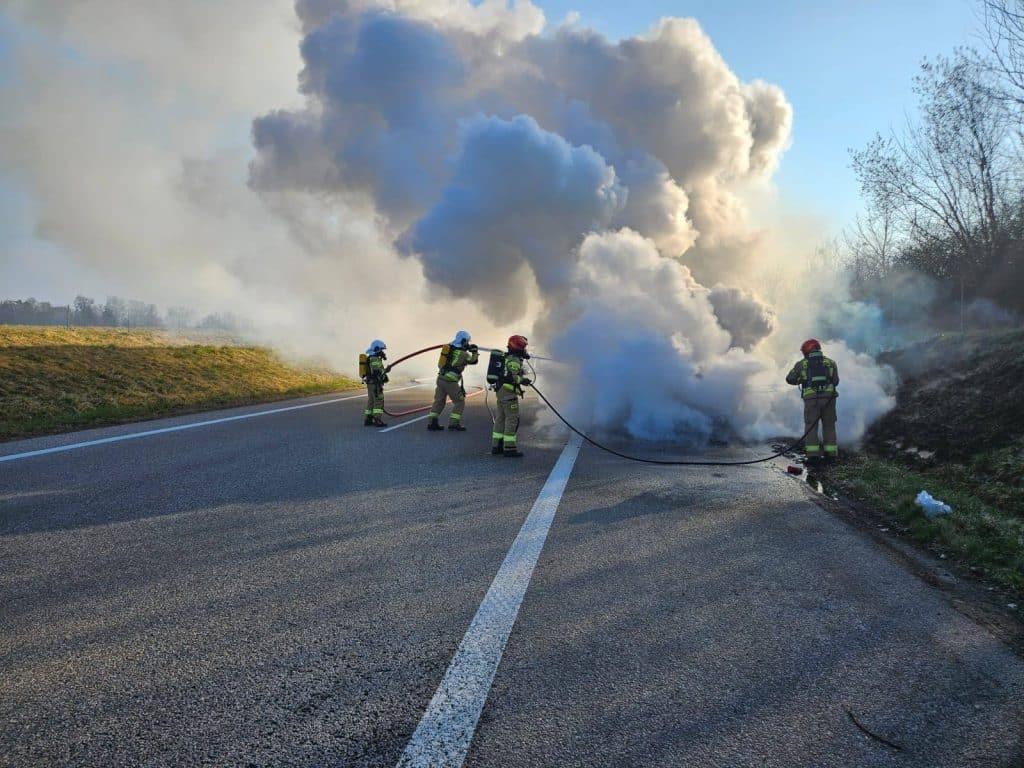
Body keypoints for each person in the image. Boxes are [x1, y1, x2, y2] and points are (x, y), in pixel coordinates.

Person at [785, 338, 839, 459]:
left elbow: (789, 379)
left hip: (811, 399)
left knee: (811, 427)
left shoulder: (802, 364)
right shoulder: (831, 362)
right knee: (829, 425)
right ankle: (831, 454)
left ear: (806, 351)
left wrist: (801, 380)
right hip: (829, 399)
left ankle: (813, 455)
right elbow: (836, 381)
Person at [427, 330, 480, 432]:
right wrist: (475, 351)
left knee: (439, 401)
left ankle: (432, 423)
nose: (468, 344)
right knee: (459, 402)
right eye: (467, 342)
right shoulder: (463, 354)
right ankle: (453, 424)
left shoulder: (449, 349)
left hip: (441, 379)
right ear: (464, 341)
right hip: (450, 382)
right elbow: (473, 361)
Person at [492, 335, 531, 457]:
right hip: (508, 394)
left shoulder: (508, 357)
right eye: (523, 347)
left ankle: (496, 446)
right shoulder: (514, 360)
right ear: (519, 347)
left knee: (500, 419)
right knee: (512, 419)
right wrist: (523, 380)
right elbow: (511, 377)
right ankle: (509, 448)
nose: (524, 350)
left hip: (501, 392)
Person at [363, 339, 389, 427]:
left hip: (370, 383)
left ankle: (368, 419)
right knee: (379, 400)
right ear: (377, 348)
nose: (382, 352)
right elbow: (378, 372)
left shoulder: (370, 358)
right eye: (381, 350)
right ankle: (377, 419)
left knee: (371, 401)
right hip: (375, 384)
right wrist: (386, 370)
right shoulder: (375, 359)